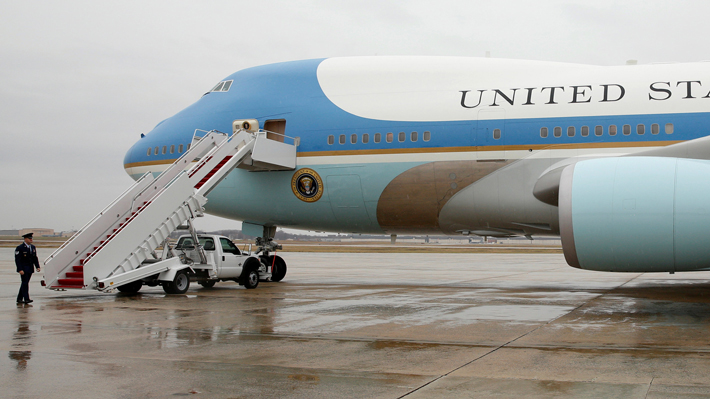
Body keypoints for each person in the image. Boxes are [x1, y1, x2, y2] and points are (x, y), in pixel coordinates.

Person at [15, 233, 40, 304]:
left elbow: (35, 258)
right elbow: (18, 260)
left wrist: (37, 266)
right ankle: (26, 298)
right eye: (29, 238)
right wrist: (19, 269)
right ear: (25, 239)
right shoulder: (20, 248)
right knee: (25, 283)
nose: (31, 239)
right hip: (23, 268)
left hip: (30, 268)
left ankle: (19, 298)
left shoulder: (33, 247)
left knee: (24, 283)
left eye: (31, 238)